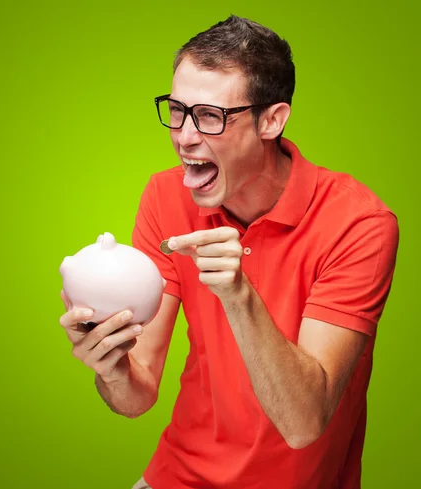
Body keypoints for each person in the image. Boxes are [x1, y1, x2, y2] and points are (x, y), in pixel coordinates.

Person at [59, 15, 399, 489]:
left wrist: (239, 296)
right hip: (178, 475)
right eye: (177, 110)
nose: (184, 135)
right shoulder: (164, 196)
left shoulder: (359, 225)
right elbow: (138, 396)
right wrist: (112, 368)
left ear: (272, 120)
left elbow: (304, 423)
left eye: (210, 116)